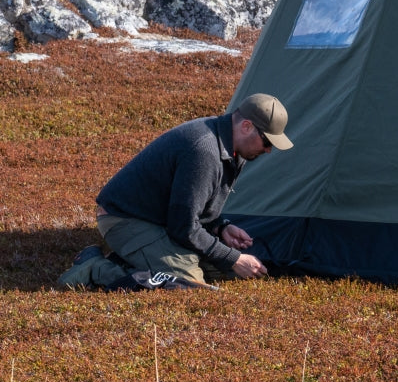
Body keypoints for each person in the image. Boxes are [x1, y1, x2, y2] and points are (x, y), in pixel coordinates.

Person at [57, 93, 293, 289]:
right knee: (186, 284)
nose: (268, 150)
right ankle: (95, 268)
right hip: (124, 219)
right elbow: (184, 226)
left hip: (162, 220)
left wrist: (220, 227)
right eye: (267, 142)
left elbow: (192, 205)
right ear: (246, 126)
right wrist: (233, 258)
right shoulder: (205, 151)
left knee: (228, 272)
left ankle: (130, 258)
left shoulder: (234, 148)